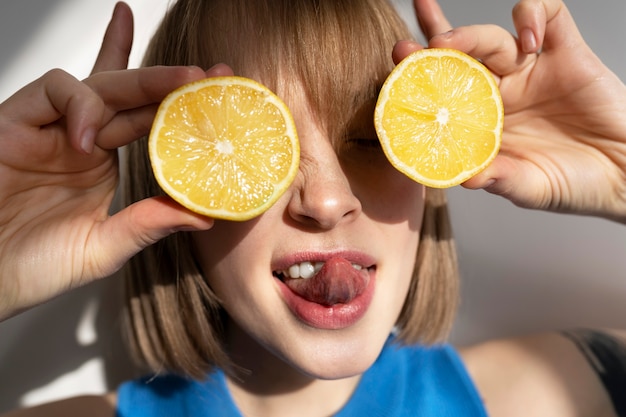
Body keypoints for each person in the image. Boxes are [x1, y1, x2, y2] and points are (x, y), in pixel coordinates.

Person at [1, 0, 625, 416]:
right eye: (251, 150)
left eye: (370, 142)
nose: (327, 202)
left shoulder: (545, 390)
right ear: (177, 181)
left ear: (433, 174)